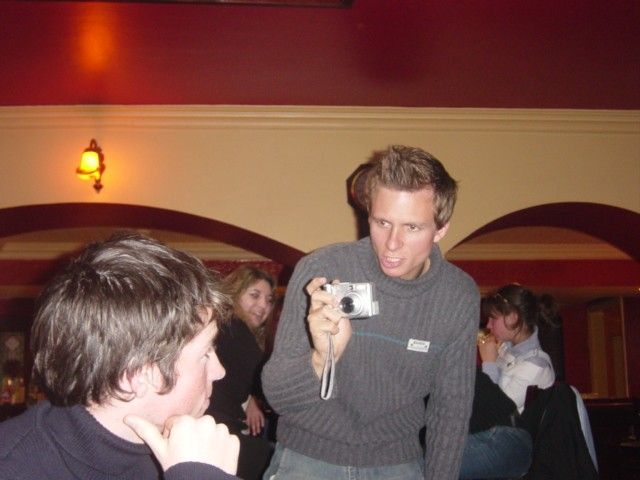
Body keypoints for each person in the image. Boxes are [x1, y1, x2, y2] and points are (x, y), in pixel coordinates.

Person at [261, 145, 480, 480]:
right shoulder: (321, 269)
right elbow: (278, 397)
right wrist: (321, 358)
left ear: (440, 229)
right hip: (306, 457)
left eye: (412, 228)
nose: (392, 243)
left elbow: (450, 411)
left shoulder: (457, 295)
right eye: (382, 222)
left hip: (397, 462)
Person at [0, 232, 240, 479]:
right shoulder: (13, 468)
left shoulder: (194, 450)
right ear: (135, 376)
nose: (219, 371)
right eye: (205, 353)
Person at [206, 266, 277, 480]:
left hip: (214, 427)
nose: (263, 305)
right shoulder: (234, 327)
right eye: (254, 295)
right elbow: (270, 387)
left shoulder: (223, 326)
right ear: (234, 293)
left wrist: (252, 398)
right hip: (218, 428)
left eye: (269, 300)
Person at [478, 283, 557, 413]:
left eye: (493, 319)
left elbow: (495, 412)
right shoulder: (505, 349)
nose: (488, 325)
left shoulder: (535, 365)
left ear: (513, 318)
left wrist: (489, 363)